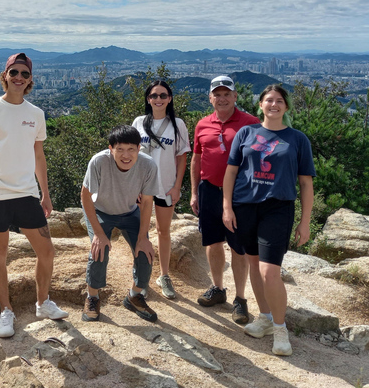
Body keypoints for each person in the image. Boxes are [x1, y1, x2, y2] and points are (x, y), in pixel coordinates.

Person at [0, 52, 68, 338]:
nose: (19, 78)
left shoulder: (36, 114)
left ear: (30, 80)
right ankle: (6, 311)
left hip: (26, 193)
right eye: (14, 72)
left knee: (46, 250)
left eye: (24, 74)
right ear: (5, 76)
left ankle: (42, 302)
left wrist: (45, 194)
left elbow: (39, 156)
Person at [222, 84, 315, 356]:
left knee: (269, 271)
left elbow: (306, 183)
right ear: (260, 105)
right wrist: (227, 207)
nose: (273, 105)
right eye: (268, 100)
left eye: (279, 101)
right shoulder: (246, 133)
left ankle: (280, 328)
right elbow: (231, 172)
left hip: (278, 207)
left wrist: (305, 221)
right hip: (244, 206)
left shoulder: (298, 139)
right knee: (253, 262)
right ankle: (263, 316)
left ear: (286, 107)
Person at [190, 76, 259, 323]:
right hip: (209, 189)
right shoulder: (202, 124)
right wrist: (194, 192)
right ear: (210, 98)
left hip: (240, 193)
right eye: (217, 94)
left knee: (238, 246)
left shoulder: (251, 123)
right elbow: (196, 159)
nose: (222, 98)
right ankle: (218, 289)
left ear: (235, 96)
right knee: (213, 242)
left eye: (226, 94)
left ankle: (240, 299)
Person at [81, 125, 160, 323]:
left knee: (145, 253)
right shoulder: (98, 162)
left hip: (130, 211)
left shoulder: (148, 165)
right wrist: (99, 234)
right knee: (99, 250)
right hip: (101, 211)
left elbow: (148, 201)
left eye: (131, 149)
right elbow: (85, 197)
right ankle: (92, 297)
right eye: (120, 149)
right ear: (111, 149)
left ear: (139, 148)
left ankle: (134, 296)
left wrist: (143, 238)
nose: (126, 155)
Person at [131, 81, 190, 300]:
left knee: (163, 232)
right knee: (141, 233)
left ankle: (164, 275)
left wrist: (176, 187)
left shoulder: (178, 124)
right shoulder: (139, 122)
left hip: (165, 186)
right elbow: (130, 155)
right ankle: (142, 276)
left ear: (170, 98)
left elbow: (181, 158)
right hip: (142, 188)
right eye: (154, 95)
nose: (158, 99)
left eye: (163, 95)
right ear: (148, 99)